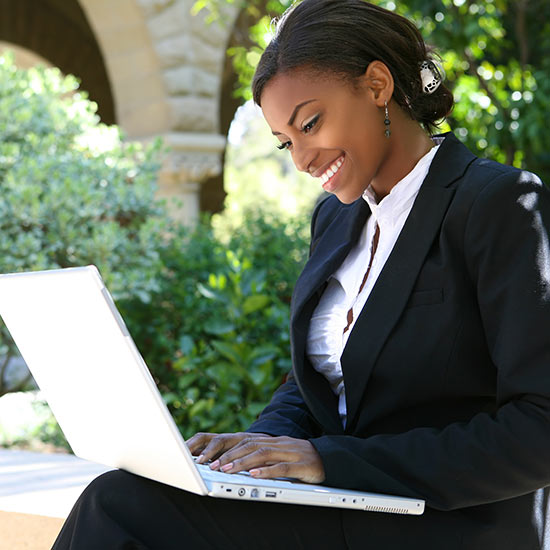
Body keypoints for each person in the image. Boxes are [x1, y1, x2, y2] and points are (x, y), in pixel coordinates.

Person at [52, 1, 550, 548]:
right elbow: (320, 384)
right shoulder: (336, 217)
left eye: (310, 123)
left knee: (120, 508)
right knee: (126, 492)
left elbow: (539, 428)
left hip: (438, 520)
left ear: (377, 85)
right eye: (286, 141)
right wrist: (253, 450)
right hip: (340, 510)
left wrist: (326, 460)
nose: (302, 158)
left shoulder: (497, 204)